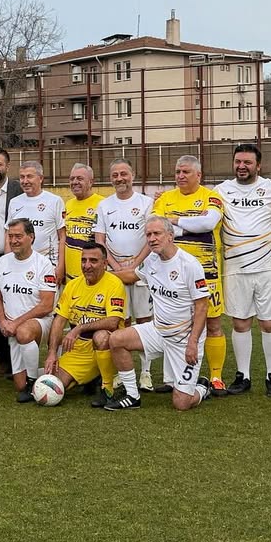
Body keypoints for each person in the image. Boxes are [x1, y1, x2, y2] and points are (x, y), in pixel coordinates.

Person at [103, 215, 212, 411]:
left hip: (184, 338)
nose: (152, 239)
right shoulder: (152, 260)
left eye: (157, 234)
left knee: (181, 403)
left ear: (170, 236)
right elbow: (133, 275)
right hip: (158, 331)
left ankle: (203, 388)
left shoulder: (189, 264)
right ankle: (132, 396)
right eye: (148, 235)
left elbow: (202, 306)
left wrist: (193, 343)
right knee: (117, 340)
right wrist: (104, 276)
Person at [216, 143, 271, 397]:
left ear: (259, 165)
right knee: (240, 322)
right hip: (235, 268)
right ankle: (243, 375)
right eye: (238, 162)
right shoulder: (221, 191)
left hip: (269, 267)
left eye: (247, 162)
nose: (242, 166)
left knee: (269, 323)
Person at [153, 155, 228, 392]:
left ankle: (216, 377)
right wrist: (191, 223)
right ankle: (173, 378)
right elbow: (155, 225)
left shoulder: (212, 197)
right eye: (177, 172)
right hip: (170, 276)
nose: (180, 176)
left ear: (199, 175)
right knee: (172, 324)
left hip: (207, 273)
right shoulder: (165, 197)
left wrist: (174, 221)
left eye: (185, 172)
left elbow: (208, 224)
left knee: (213, 324)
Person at [94, 158, 153, 392]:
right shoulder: (104, 205)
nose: (119, 178)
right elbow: (100, 239)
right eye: (115, 175)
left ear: (133, 175)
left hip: (142, 270)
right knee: (121, 321)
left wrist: (135, 266)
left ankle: (146, 373)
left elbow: (151, 238)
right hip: (114, 270)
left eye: (124, 174)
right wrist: (117, 267)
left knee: (145, 321)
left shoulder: (146, 203)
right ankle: (122, 372)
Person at [45, 243, 125, 405]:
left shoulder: (114, 284)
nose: (87, 265)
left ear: (104, 263)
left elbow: (113, 322)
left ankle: (107, 388)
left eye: (93, 261)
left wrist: (79, 328)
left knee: (101, 336)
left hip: (107, 347)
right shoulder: (73, 285)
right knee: (52, 385)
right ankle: (92, 378)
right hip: (80, 350)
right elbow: (59, 320)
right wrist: (52, 353)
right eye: (84, 260)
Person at [0, 218, 57, 401]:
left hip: (40, 323)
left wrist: (16, 323)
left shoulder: (43, 264)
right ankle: (48, 372)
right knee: (17, 386)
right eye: (10, 236)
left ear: (31, 237)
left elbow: (46, 305)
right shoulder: (3, 262)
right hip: (12, 326)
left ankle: (33, 381)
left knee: (23, 332)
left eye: (18, 236)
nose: (13, 241)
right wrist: (3, 322)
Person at [6, 161, 65, 278]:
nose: (25, 181)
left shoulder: (55, 201)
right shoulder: (14, 202)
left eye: (29, 176)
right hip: (20, 264)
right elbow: (8, 233)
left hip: (48, 264)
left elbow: (62, 236)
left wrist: (61, 267)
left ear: (41, 178)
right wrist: (8, 262)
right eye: (22, 177)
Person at [63, 164, 104, 283]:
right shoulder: (67, 205)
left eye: (79, 179)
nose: (74, 182)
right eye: (72, 179)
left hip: (93, 279)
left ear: (91, 182)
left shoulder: (102, 204)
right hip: (69, 279)